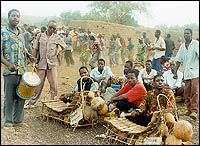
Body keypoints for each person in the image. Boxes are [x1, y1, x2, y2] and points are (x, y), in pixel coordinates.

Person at [1, 9, 35, 131]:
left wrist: (29, 56)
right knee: (9, 97)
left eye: (18, 16)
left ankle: (18, 120)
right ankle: (8, 122)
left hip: (22, 71)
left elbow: (23, 50)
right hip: (9, 72)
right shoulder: (3, 32)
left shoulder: (20, 33)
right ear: (8, 17)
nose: (16, 18)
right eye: (13, 16)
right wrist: (8, 64)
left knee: (21, 95)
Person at [24, 20, 67, 108]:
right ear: (47, 26)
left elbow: (64, 46)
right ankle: (31, 102)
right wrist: (34, 60)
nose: (51, 29)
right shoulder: (40, 36)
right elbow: (35, 48)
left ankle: (53, 102)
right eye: (50, 27)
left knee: (53, 84)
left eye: (54, 28)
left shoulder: (56, 37)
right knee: (38, 85)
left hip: (52, 64)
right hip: (41, 64)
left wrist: (59, 53)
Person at [173, 28, 199, 120]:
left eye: (188, 33)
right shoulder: (183, 47)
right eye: (185, 33)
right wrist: (175, 72)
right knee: (186, 92)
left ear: (191, 34)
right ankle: (189, 110)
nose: (186, 35)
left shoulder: (196, 44)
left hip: (196, 72)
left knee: (195, 91)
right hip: (187, 73)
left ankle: (194, 111)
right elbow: (178, 60)